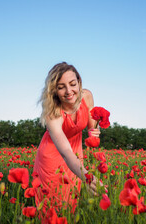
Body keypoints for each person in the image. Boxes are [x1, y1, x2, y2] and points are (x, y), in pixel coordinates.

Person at [33, 62, 101, 213]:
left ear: (79, 82)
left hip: (75, 155)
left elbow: (92, 124)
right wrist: (88, 177)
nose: (69, 91)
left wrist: (95, 131)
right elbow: (65, 151)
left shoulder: (87, 96)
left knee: (70, 205)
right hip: (53, 157)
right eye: (61, 87)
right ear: (54, 90)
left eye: (72, 84)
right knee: (51, 207)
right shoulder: (53, 112)